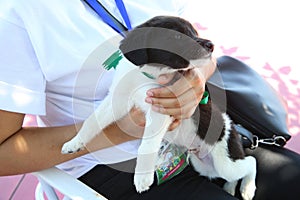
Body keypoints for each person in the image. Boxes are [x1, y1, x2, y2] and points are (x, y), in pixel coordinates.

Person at [0, 0, 300, 200]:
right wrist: (123, 128)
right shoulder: (17, 13)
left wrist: (195, 80)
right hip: (115, 165)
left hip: (195, 128)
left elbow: (199, 53)